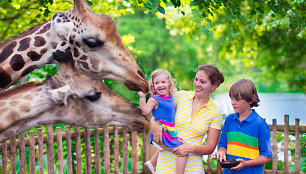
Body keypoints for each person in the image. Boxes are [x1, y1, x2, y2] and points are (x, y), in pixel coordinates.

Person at [150, 64, 225, 173]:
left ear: (213, 86)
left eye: (202, 82)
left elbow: (210, 147)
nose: (197, 84)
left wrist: (190, 148)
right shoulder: (180, 97)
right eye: (196, 79)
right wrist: (154, 124)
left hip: (193, 168)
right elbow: (159, 114)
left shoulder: (215, 112)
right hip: (165, 165)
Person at [211, 79, 272, 174]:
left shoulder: (260, 124)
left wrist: (246, 164)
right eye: (231, 98)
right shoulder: (229, 120)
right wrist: (221, 152)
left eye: (237, 99)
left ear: (251, 100)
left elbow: (267, 156)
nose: (233, 102)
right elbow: (223, 145)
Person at [138, 69, 187, 174]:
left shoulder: (171, 98)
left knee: (165, 148)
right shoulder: (154, 99)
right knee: (183, 152)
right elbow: (146, 111)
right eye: (157, 83)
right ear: (153, 86)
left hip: (170, 132)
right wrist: (142, 97)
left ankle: (151, 164)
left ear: (169, 83)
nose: (160, 85)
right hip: (161, 133)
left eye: (163, 82)